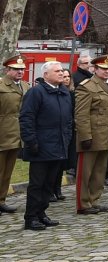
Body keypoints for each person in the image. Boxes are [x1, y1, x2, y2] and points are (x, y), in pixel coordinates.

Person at [19, 60, 73, 230]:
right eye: (56, 71)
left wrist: (67, 137)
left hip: (59, 145)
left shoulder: (64, 92)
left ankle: (41, 213)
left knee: (49, 184)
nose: (61, 73)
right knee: (37, 184)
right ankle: (31, 217)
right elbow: (26, 118)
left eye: (61, 70)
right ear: (46, 75)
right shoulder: (36, 92)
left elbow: (68, 119)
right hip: (40, 146)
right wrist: (31, 141)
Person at [74, 54, 108, 214]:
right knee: (85, 172)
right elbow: (81, 114)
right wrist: (85, 136)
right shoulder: (87, 86)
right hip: (92, 135)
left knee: (100, 171)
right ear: (95, 69)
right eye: (103, 68)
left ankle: (94, 199)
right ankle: (83, 203)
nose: (107, 71)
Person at [1, 54, 29, 214]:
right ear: (7, 70)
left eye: (22, 69)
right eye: (16, 69)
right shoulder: (1, 85)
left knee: (7, 171)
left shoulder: (25, 86)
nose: (20, 72)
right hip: (3, 133)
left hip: (17, 135)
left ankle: (1, 199)